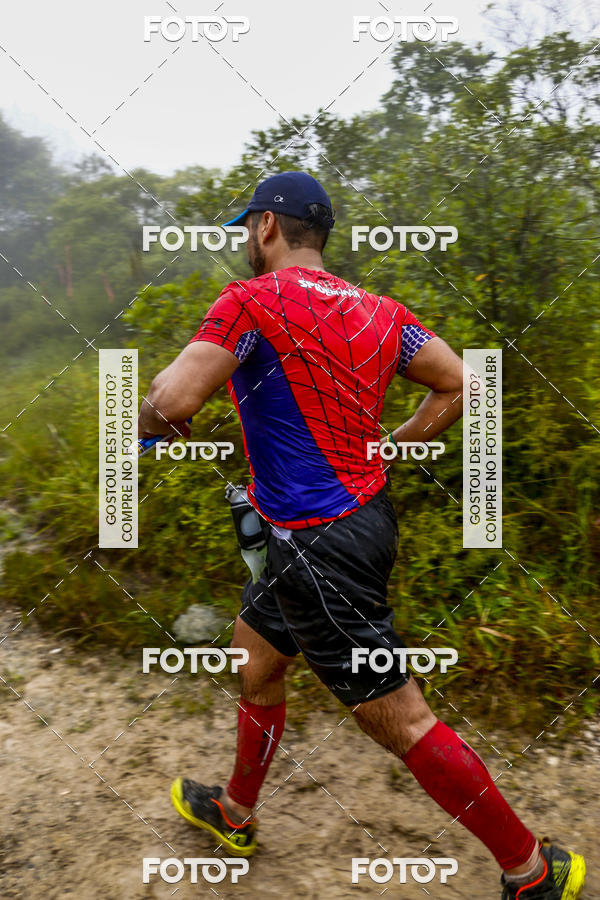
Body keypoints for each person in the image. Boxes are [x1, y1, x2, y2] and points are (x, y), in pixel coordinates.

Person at [137, 171, 585, 899]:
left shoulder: (250, 301)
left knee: (400, 718)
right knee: (257, 657)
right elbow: (463, 382)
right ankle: (236, 811)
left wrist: (147, 420)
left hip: (319, 546)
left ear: (268, 229)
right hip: (347, 523)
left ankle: (528, 871)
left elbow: (175, 398)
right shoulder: (381, 310)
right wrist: (390, 447)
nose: (249, 242)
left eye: (249, 229)